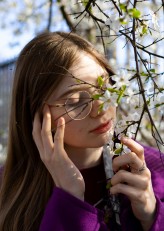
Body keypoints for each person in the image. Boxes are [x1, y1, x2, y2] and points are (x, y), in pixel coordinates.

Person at [0, 31, 164, 231]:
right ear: (39, 117)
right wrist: (69, 203)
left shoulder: (154, 168)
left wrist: (152, 215)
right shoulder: (6, 192)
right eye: (75, 101)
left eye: (104, 89)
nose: (101, 109)